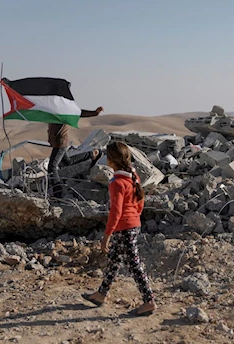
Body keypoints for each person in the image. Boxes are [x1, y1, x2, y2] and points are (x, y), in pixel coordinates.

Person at [81, 141, 157, 316]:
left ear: (111, 160)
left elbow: (116, 211)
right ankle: (101, 294)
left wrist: (106, 235)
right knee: (115, 259)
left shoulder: (116, 182)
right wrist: (135, 216)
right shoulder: (133, 176)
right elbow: (140, 201)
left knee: (134, 264)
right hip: (132, 225)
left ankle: (149, 301)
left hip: (124, 227)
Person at [48, 107, 104, 198]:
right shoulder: (52, 109)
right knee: (68, 162)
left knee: (52, 167)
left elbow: (78, 112)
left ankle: (58, 194)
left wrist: (94, 113)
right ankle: (92, 154)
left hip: (60, 142)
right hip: (57, 142)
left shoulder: (63, 109)